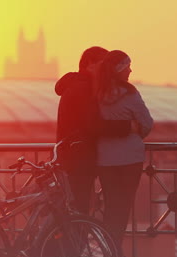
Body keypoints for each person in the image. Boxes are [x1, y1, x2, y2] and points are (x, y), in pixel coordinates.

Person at [55, 46, 131, 215]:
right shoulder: (83, 88)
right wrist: (127, 127)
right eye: (103, 64)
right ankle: (73, 242)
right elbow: (94, 124)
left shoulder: (76, 85)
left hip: (72, 159)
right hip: (79, 161)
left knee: (73, 213)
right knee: (78, 213)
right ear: (89, 64)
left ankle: (70, 241)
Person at [94, 50, 153, 257]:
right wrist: (134, 128)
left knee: (111, 207)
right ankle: (114, 254)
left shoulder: (96, 94)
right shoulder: (130, 93)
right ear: (119, 70)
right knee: (123, 207)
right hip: (130, 159)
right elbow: (147, 123)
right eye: (127, 67)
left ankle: (110, 251)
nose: (130, 70)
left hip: (104, 159)